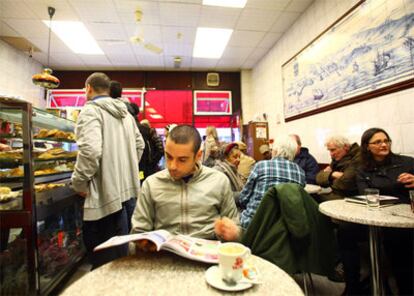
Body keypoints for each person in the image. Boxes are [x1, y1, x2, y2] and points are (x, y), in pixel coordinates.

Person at [71, 72, 145, 269]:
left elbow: (90, 150)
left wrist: (79, 183)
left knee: (103, 262)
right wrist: (126, 169)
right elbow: (140, 145)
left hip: (103, 198)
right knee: (120, 259)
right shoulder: (126, 114)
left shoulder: (90, 111)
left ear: (88, 88)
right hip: (127, 196)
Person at [338, 128, 414, 295]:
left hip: (402, 217)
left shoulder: (408, 163)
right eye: (377, 142)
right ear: (367, 147)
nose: (383, 144)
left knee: (399, 239)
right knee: (345, 231)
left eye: (386, 140)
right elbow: (365, 193)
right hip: (375, 216)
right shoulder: (362, 169)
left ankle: (405, 289)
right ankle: (352, 286)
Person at [131, 125, 239, 240]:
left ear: (198, 156)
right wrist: (143, 242)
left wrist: (232, 232)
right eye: (169, 157)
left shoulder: (218, 181)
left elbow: (235, 227)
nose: (172, 166)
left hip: (206, 252)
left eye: (182, 160)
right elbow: (138, 232)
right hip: (164, 253)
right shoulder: (151, 184)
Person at [239, 135, 306, 229]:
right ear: (294, 152)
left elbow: (243, 199)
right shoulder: (300, 173)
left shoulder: (261, 166)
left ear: (275, 150)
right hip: (282, 229)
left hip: (253, 225)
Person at [316, 135, 360, 202]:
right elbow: (318, 178)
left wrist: (328, 178)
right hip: (336, 194)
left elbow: (346, 183)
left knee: (311, 199)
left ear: (346, 147)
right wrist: (333, 174)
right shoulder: (337, 158)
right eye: (329, 150)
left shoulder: (358, 157)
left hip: (350, 198)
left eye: (333, 150)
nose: (331, 154)